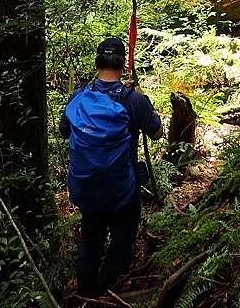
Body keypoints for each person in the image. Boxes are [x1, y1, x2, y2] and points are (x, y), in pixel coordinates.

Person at [60, 37, 163, 298]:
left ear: (97, 64)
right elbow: (157, 133)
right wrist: (143, 100)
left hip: (87, 186)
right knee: (122, 244)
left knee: (90, 242)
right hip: (122, 190)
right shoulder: (133, 100)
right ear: (123, 65)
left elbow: (64, 131)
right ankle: (106, 294)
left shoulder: (78, 98)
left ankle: (86, 294)